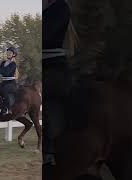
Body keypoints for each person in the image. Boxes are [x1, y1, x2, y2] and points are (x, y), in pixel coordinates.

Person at [43, 0, 73, 166]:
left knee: (47, 104)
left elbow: (44, 35)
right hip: (44, 65)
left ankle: (49, 153)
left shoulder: (59, 8)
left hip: (52, 67)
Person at [0, 47, 18, 115]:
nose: (8, 53)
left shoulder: (13, 64)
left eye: (10, 52)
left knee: (4, 90)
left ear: (14, 54)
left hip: (11, 83)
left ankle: (7, 108)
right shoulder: (3, 62)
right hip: (4, 82)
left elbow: (6, 72)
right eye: (8, 52)